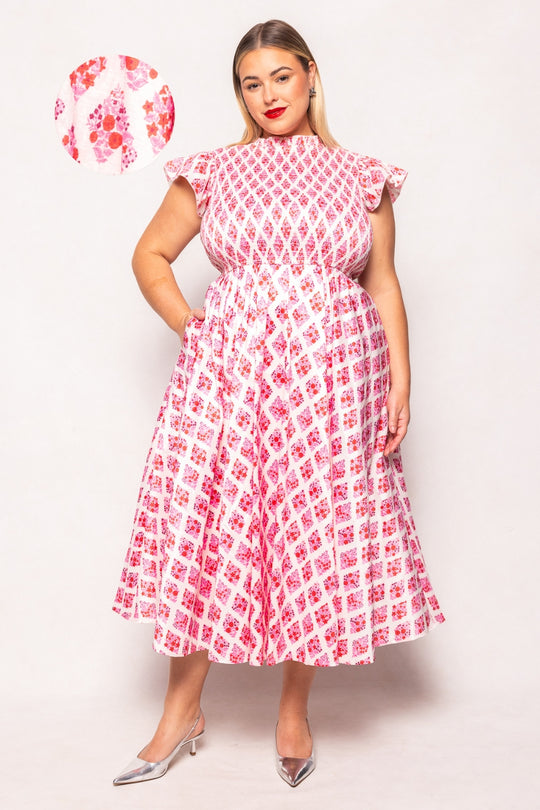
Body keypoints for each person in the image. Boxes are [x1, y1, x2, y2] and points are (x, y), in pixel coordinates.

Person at [112, 19, 445, 789]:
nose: (267, 96)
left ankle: (293, 711)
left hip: (333, 384)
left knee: (311, 532)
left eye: (279, 78)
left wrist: (400, 378)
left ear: (311, 75)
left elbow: (383, 281)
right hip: (230, 380)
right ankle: (179, 715)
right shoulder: (215, 171)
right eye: (250, 83)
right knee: (208, 526)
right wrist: (193, 329)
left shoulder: (362, 175)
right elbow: (150, 255)